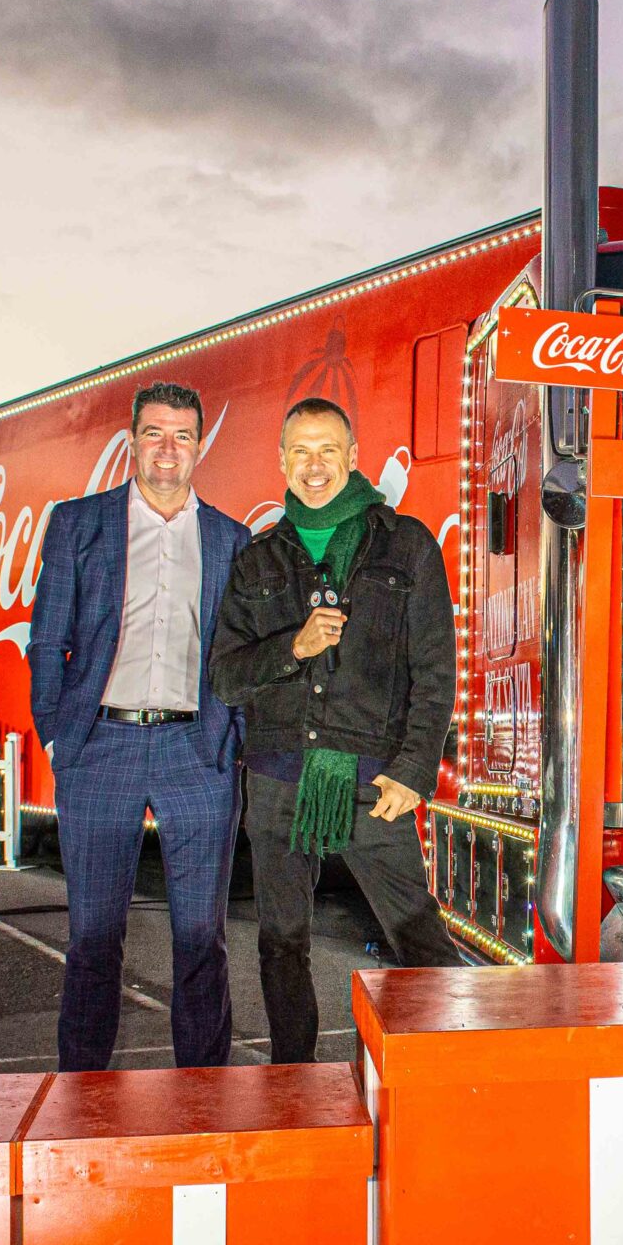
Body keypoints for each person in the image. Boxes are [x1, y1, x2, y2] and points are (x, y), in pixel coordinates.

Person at [209, 396, 460, 1064]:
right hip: (278, 780)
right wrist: (289, 647)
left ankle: (453, 1070)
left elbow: (434, 675)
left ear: (352, 458)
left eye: (328, 451)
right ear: (282, 462)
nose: (314, 466)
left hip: (371, 776)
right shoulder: (259, 559)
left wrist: (413, 770)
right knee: (281, 941)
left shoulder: (407, 546)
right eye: (301, 452)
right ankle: (294, 1076)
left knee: (417, 933)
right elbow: (225, 677)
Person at [28, 380, 248, 1071]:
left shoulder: (228, 538)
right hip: (102, 745)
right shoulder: (78, 523)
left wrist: (228, 736)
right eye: (154, 432)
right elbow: (46, 640)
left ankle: (203, 1092)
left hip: (195, 750)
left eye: (182, 435)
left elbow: (239, 649)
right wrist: (59, 735)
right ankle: (81, 1091)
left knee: (200, 937)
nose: (167, 448)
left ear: (199, 446)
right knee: (93, 936)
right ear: (131, 439)